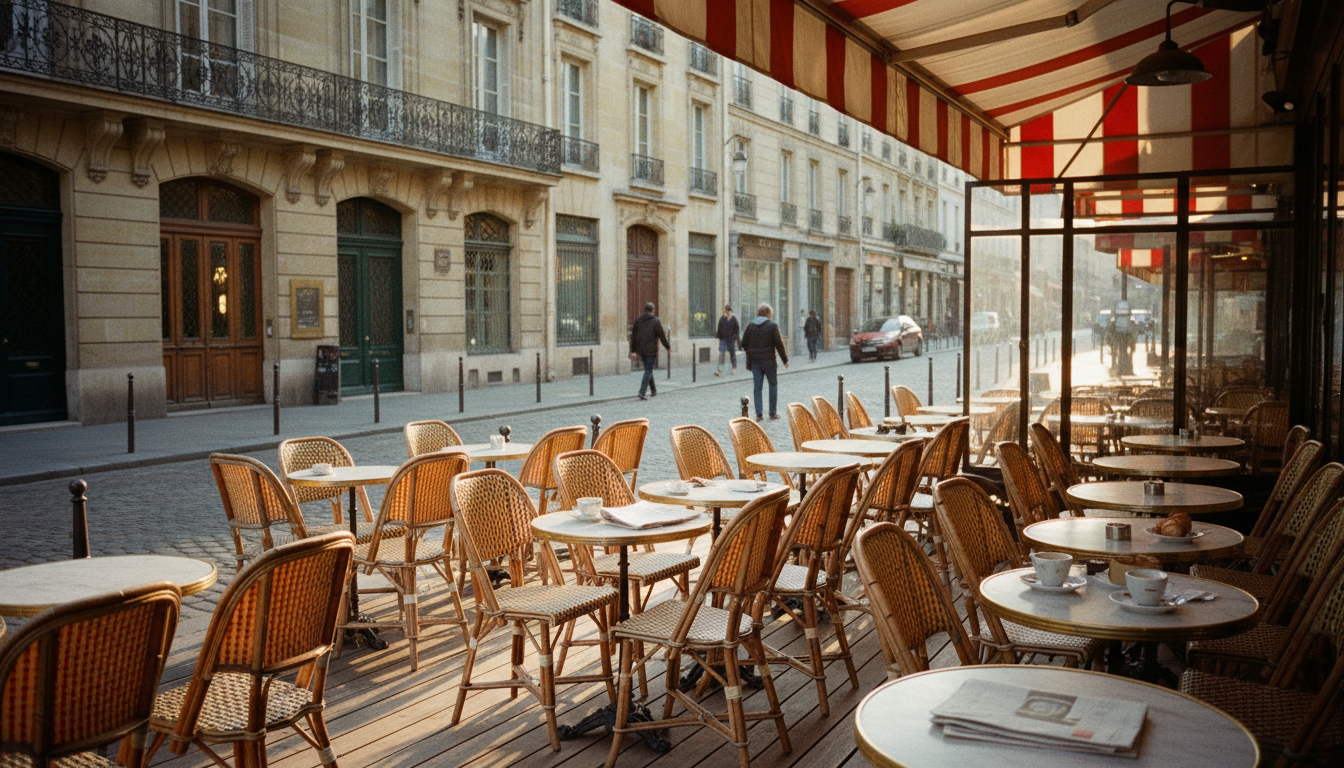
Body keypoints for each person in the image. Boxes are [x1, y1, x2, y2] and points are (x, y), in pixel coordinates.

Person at [740, 303, 788, 421]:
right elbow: (779, 344)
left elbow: (743, 343)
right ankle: (772, 413)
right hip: (769, 361)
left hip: (756, 362)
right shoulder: (772, 326)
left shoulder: (750, 326)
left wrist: (751, 352)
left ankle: (759, 414)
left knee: (757, 387)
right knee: (773, 385)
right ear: (768, 314)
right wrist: (785, 360)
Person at [628, 302, 670, 401]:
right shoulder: (655, 321)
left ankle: (653, 390)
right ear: (653, 310)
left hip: (641, 350)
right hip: (651, 350)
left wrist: (633, 350)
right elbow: (661, 335)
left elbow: (633, 336)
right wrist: (668, 347)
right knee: (648, 370)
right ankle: (642, 392)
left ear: (644, 310)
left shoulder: (638, 321)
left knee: (648, 369)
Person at [715, 304, 740, 376]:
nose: (727, 312)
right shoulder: (722, 319)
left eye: (728, 311)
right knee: (722, 354)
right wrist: (720, 337)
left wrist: (734, 337)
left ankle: (734, 368)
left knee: (732, 353)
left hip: (730, 339)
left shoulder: (734, 319)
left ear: (731, 311)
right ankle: (719, 370)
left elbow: (737, 329)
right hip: (723, 339)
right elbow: (719, 329)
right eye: (726, 311)